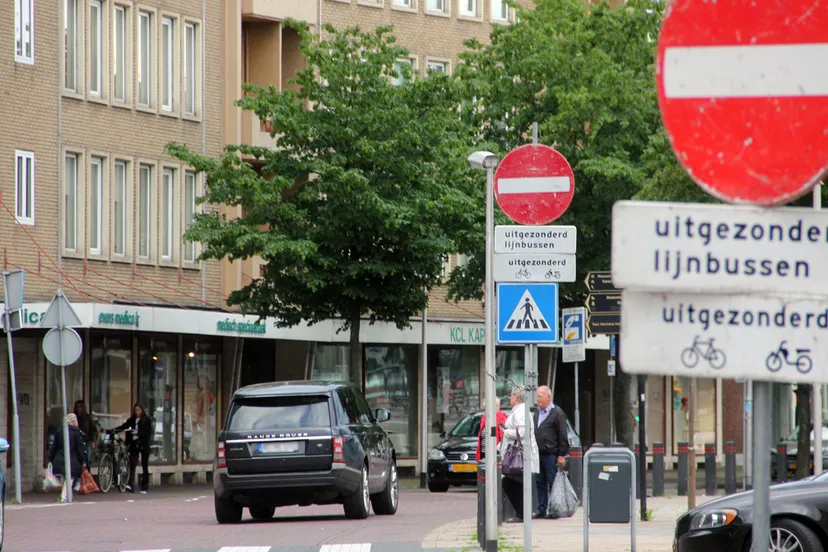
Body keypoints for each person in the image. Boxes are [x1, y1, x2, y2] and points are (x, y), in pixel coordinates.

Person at [500, 386, 539, 522]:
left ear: (516, 397)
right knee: (512, 482)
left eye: (511, 395)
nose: (509, 398)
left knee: (511, 482)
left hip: (519, 454)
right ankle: (522, 513)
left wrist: (505, 431)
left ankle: (522, 513)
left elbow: (523, 432)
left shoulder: (521, 411)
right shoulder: (519, 410)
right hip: (519, 452)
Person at [533, 385, 570, 519]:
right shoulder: (537, 413)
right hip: (538, 453)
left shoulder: (557, 413)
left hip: (551, 454)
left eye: (540, 396)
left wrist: (561, 455)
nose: (537, 399)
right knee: (539, 482)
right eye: (537, 396)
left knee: (552, 483)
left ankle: (554, 509)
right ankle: (541, 508)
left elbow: (563, 436)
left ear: (548, 397)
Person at [113, 403, 152, 494]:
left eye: (139, 410)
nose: (137, 412)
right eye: (135, 410)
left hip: (143, 444)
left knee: (144, 465)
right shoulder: (131, 420)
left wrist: (138, 433)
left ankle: (144, 487)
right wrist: (113, 430)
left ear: (142, 410)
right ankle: (130, 484)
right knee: (132, 464)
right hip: (134, 444)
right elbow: (124, 426)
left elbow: (148, 432)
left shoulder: (147, 420)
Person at [48, 413, 88, 502]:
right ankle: (64, 496)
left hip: (59, 458)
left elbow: (54, 446)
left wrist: (50, 459)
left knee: (64, 477)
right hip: (72, 460)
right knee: (70, 478)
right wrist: (83, 461)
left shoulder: (59, 430)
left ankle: (65, 496)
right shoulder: (76, 432)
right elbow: (79, 448)